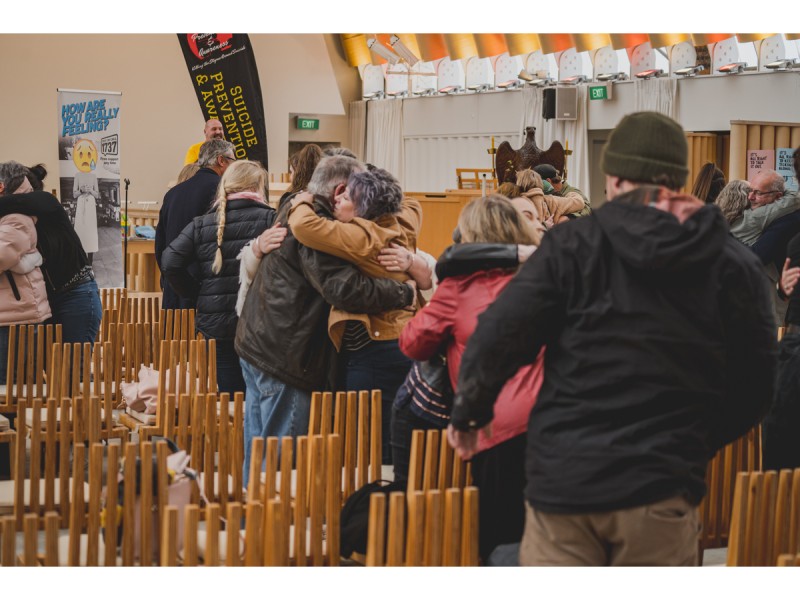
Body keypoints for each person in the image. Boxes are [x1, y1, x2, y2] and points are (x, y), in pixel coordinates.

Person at [448, 111, 777, 566]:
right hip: (660, 486)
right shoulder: (730, 263)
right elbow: (757, 383)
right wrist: (691, 442)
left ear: (613, 177)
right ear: (677, 179)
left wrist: (469, 412)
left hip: (564, 484)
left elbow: (501, 333)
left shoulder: (570, 247)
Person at [234, 155, 418, 486]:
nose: (364, 212)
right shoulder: (315, 229)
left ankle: (254, 525)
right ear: (340, 191)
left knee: (260, 448)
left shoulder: (298, 206)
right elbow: (344, 289)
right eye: (359, 199)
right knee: (280, 462)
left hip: (261, 343)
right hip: (286, 356)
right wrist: (405, 293)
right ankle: (273, 532)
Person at [398, 194, 543, 561]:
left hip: (496, 425)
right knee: (544, 535)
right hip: (554, 418)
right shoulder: (544, 273)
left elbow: (412, 342)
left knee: (497, 537)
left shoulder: (459, 286)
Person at [285, 167, 431, 464]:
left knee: (372, 440)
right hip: (400, 340)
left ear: (365, 208)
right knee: (390, 430)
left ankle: (377, 499)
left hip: (377, 348)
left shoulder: (360, 235)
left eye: (348, 196)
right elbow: (412, 204)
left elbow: (303, 226)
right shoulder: (401, 221)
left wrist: (302, 200)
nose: (337, 200)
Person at [161, 160, 278, 395]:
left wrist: (197, 294)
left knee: (228, 397)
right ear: (258, 186)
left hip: (216, 325)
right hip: (260, 324)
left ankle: (231, 432)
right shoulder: (272, 221)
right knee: (259, 396)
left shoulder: (202, 223)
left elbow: (169, 262)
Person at [0, 162, 101, 347]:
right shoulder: (18, 216)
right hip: (47, 300)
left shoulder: (45, 202)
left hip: (76, 294)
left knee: (71, 368)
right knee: (50, 366)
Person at [156, 139, 236, 309]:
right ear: (221, 161)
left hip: (174, 285)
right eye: (233, 161)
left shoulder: (172, 194)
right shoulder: (222, 191)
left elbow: (160, 245)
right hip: (205, 290)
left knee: (174, 335)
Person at [516, 168, 582, 229]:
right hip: (548, 240)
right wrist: (570, 193)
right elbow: (579, 202)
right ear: (540, 181)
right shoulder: (551, 200)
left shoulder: (516, 203)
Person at [278, 144, 323, 210]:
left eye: (291, 172)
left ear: (298, 173)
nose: (290, 177)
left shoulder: (290, 199)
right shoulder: (325, 199)